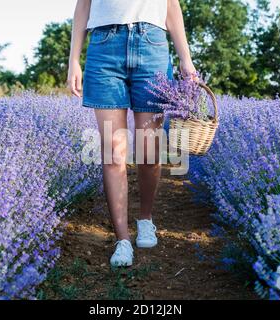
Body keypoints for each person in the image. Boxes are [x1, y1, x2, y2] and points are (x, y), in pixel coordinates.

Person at [68, 0, 196, 267]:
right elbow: (83, 5)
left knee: (149, 150)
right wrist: (73, 60)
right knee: (113, 152)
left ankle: (146, 218)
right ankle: (122, 239)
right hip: (104, 48)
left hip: (152, 45)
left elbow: (171, 4)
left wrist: (186, 58)